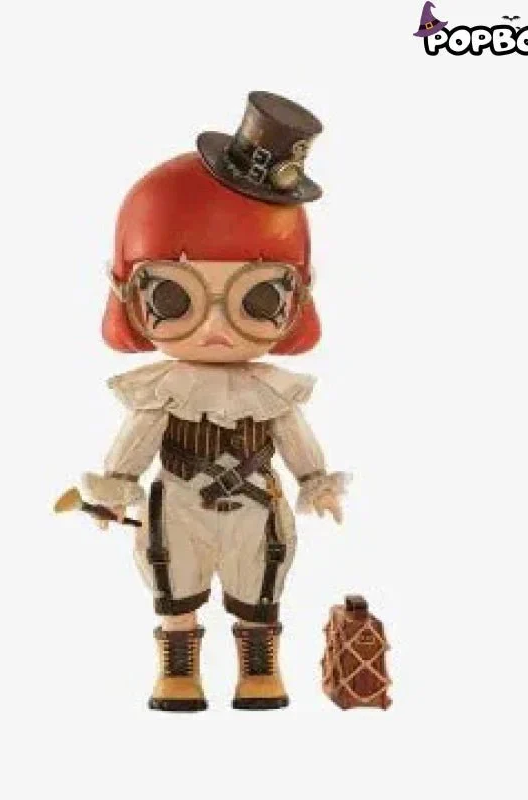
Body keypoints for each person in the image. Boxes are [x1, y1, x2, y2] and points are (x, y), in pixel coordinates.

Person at [77, 92, 349, 711]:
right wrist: (115, 487)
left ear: (297, 295)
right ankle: (178, 672)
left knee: (260, 588)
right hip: (178, 502)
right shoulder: (162, 391)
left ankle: (259, 669)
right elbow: (134, 446)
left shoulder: (271, 392)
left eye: (259, 297)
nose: (217, 326)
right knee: (175, 585)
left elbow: (297, 441)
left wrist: (316, 481)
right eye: (175, 297)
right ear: (129, 292)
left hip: (255, 504)